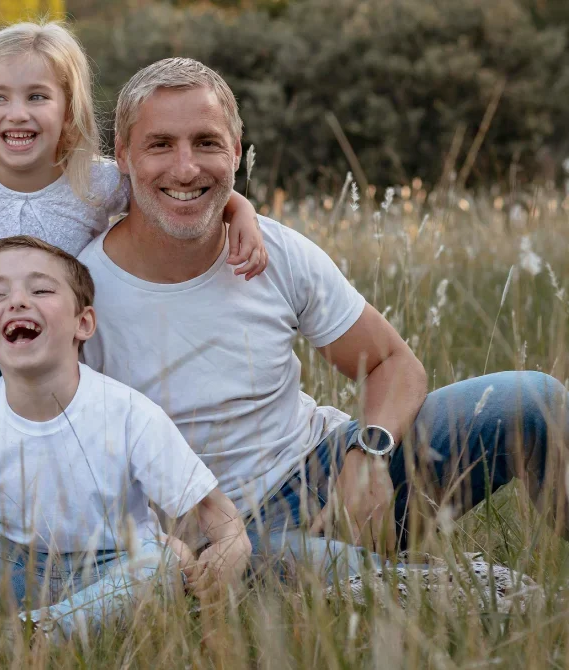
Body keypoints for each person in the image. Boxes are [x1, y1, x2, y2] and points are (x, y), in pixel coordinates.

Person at [78, 57, 569, 579]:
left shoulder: (276, 250)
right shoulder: (81, 291)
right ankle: (406, 582)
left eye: (206, 143)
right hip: (217, 537)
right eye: (160, 145)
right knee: (339, 574)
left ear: (236, 152)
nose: (185, 168)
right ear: (123, 155)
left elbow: (392, 363)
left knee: (533, 399)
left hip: (326, 473)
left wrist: (369, 452)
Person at [0, 236, 253, 641]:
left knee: (159, 566)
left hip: (109, 571)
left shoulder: (128, 414)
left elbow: (213, 509)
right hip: (14, 573)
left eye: (41, 290)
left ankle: (30, 635)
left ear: (82, 323)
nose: (18, 301)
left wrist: (231, 542)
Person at [0, 22, 269, 383]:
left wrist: (240, 210)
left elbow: (173, 191)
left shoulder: (97, 183)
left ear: (68, 111)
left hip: (80, 352)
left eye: (37, 97)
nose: (17, 113)